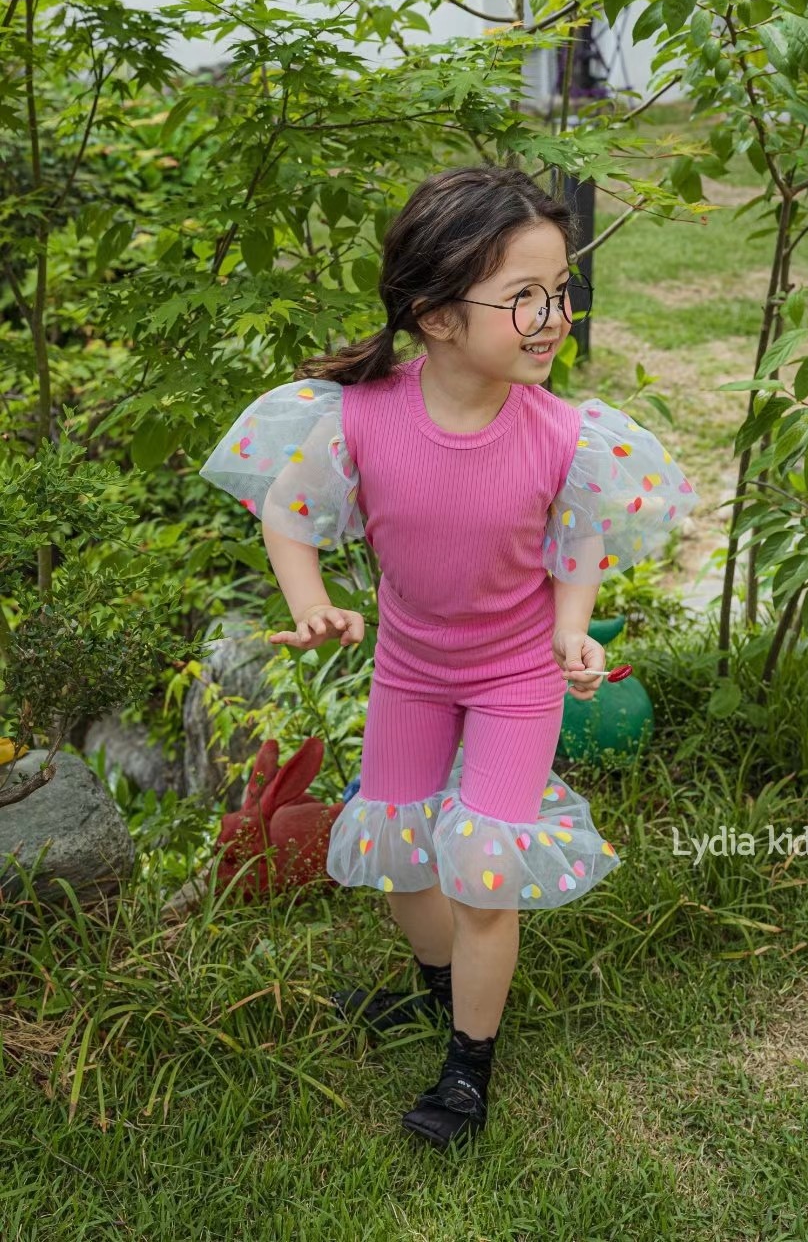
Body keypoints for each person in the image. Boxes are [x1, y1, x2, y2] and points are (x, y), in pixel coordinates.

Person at [198, 165, 700, 1151]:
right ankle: (440, 989)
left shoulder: (562, 435)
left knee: (482, 870)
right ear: (435, 316)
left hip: (516, 679)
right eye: (525, 297)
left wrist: (572, 626)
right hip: (411, 671)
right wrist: (311, 601)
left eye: (560, 291)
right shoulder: (361, 417)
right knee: (398, 854)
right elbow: (288, 510)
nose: (554, 316)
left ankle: (470, 1063)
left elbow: (580, 536)